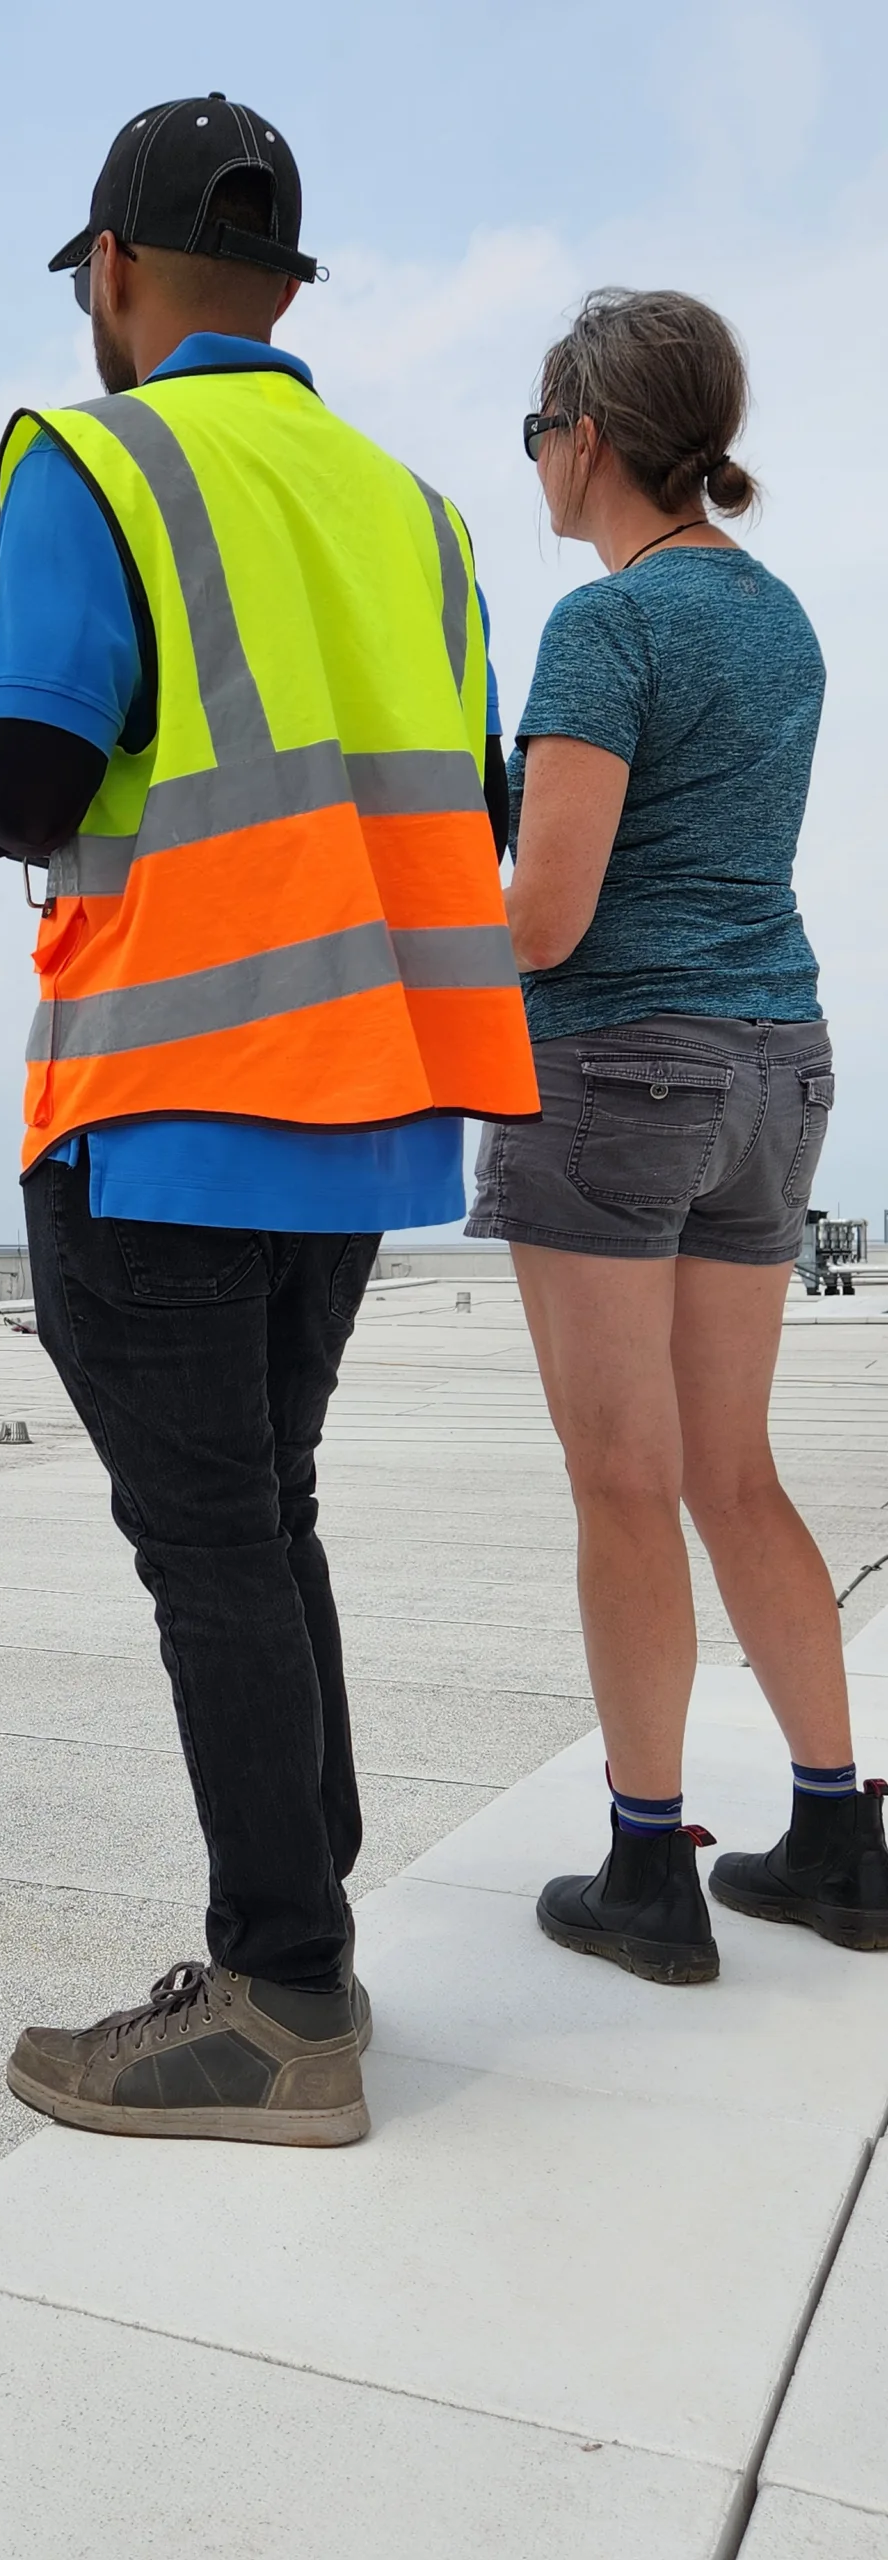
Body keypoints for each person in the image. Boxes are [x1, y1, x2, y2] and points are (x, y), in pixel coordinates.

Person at [0, 95, 538, 2145]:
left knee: (210, 1546)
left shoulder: (89, 458)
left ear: (111, 275)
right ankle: (310, 1948)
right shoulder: (417, 513)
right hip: (361, 1114)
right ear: (287, 292)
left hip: (169, 1098)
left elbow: (33, 767)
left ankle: (280, 1997)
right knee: (262, 1522)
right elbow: (486, 799)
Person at [466, 287, 888, 1979]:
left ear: (590, 434)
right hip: (778, 1066)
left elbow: (549, 920)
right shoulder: (778, 617)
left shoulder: (606, 627)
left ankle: (649, 1878)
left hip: (624, 1073)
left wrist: (404, 905)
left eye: (536, 433)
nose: (537, 468)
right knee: (732, 1470)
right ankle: (841, 1836)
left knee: (624, 1483)